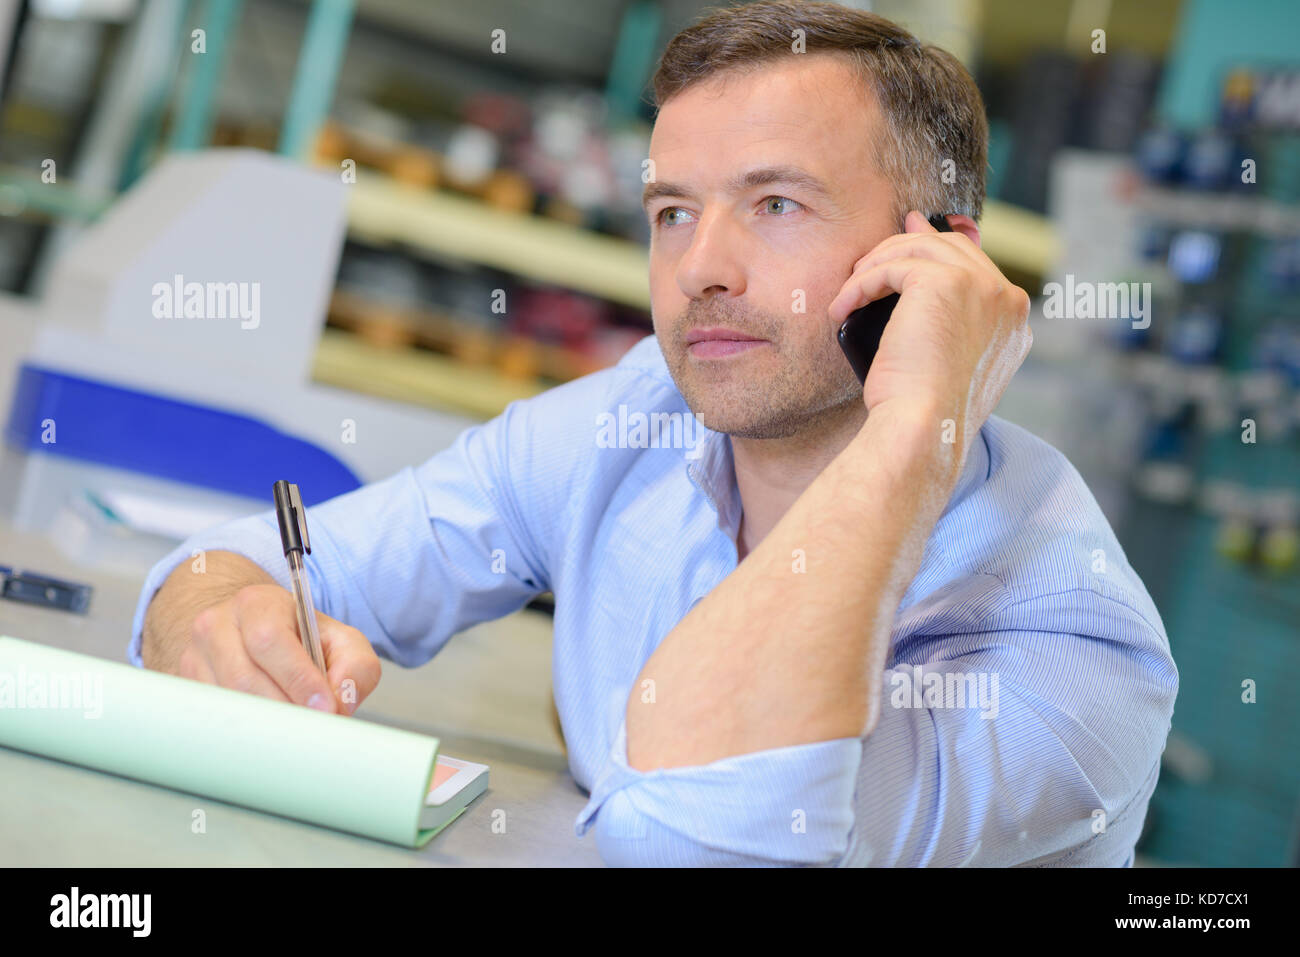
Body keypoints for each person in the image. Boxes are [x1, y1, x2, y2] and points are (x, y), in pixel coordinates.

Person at [132, 0, 1177, 866]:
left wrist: (912, 434)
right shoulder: (628, 427)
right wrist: (217, 616)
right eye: (674, 211)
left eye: (774, 204)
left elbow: (712, 833)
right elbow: (231, 567)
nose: (698, 269)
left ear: (939, 256)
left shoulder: (1074, 643)